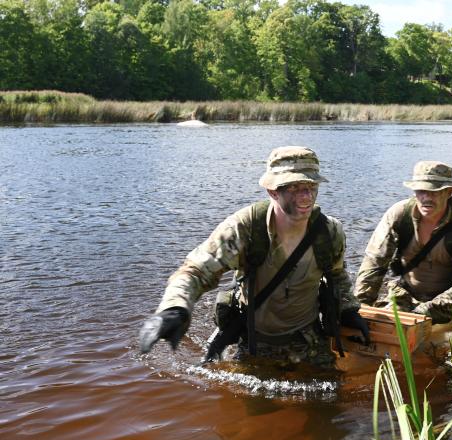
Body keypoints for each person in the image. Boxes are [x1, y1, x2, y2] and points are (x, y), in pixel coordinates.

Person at [138, 146, 369, 367]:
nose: (306, 196)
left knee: (330, 405)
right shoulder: (245, 228)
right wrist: (175, 308)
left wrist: (348, 309)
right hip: (255, 341)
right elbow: (197, 270)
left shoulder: (329, 232)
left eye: (311, 186)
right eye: (294, 188)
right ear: (273, 191)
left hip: (308, 338)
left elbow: (337, 274)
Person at [354, 161, 452, 324]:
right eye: (421, 191)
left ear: (449, 192)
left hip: (449, 304)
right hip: (405, 296)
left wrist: (424, 311)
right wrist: (361, 307)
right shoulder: (399, 215)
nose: (426, 198)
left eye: (434, 192)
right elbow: (374, 263)